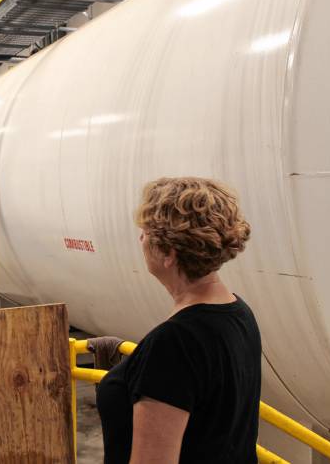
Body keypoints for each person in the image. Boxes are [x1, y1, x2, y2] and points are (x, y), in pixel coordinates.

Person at [96, 177, 261, 463]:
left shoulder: (175, 344)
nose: (141, 239)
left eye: (145, 232)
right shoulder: (240, 314)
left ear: (169, 254)